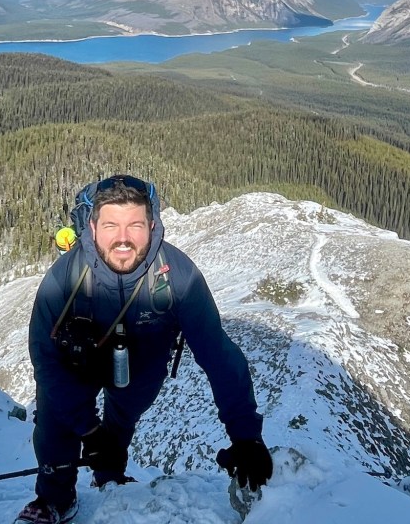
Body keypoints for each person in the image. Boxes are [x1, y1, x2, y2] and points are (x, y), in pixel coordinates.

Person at [14, 175, 272, 524]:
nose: (123, 237)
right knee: (55, 422)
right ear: (91, 227)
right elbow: (46, 363)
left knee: (120, 426)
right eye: (111, 225)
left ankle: (109, 478)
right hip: (76, 365)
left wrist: (246, 438)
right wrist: (88, 431)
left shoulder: (179, 278)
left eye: (135, 224)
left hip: (142, 367)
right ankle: (54, 496)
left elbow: (219, 357)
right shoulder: (63, 280)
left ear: (152, 224)